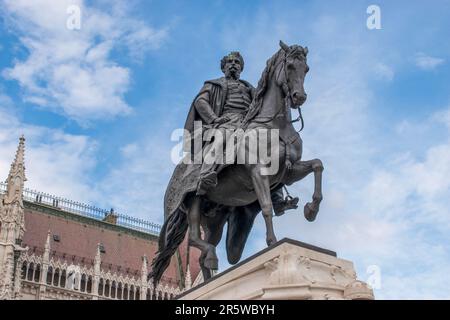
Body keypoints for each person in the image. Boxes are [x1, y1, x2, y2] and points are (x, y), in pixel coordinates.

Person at [184, 52, 298, 215]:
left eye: (237, 62)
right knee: (222, 137)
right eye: (229, 62)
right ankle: (207, 174)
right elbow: (200, 101)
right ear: (223, 67)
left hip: (249, 122)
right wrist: (214, 119)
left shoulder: (249, 88)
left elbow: (262, 104)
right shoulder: (213, 84)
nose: (233, 64)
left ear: (241, 67)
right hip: (226, 121)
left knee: (272, 149)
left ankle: (277, 199)